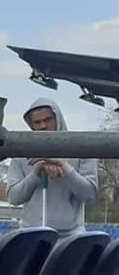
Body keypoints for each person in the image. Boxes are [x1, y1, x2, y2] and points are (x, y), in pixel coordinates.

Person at [7, 97, 99, 235]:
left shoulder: (81, 148)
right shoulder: (22, 152)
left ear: (58, 118)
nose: (43, 126)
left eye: (48, 120)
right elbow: (14, 198)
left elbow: (88, 194)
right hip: (31, 233)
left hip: (71, 235)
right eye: (37, 122)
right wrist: (36, 173)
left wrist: (64, 166)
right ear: (31, 125)